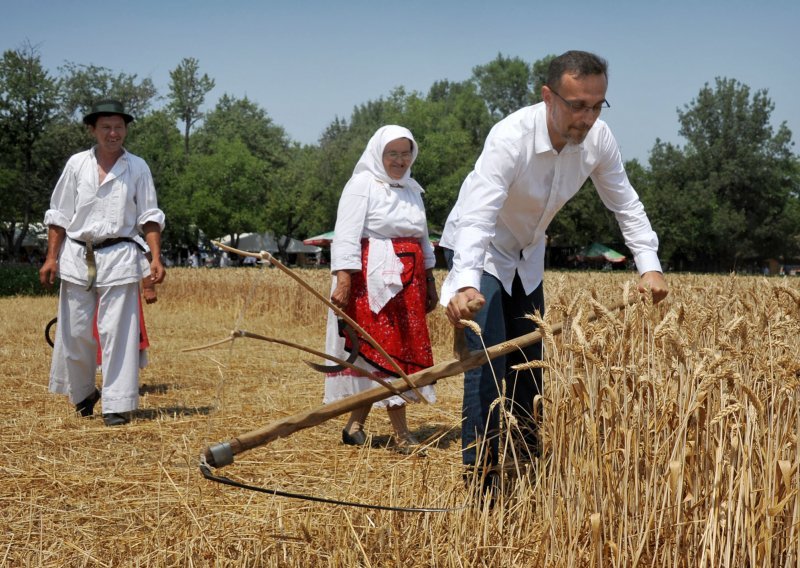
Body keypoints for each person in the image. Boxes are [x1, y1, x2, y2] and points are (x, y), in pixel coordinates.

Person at [439, 51, 669, 476]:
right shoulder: (510, 137)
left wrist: (649, 265)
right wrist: (466, 283)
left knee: (530, 364)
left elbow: (626, 204)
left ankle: (525, 469)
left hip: (527, 254)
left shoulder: (599, 140)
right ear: (548, 96)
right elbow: (478, 215)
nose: (587, 117)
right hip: (482, 248)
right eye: (577, 105)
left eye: (597, 105)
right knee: (489, 363)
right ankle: (483, 478)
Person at [39, 99, 166, 427]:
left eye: (119, 127)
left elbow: (149, 216)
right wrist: (51, 257)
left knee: (118, 332)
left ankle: (117, 405)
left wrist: (155, 257)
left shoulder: (137, 167)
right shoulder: (77, 164)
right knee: (77, 331)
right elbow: (59, 215)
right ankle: (83, 393)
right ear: (93, 130)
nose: (113, 133)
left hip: (121, 255)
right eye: (106, 127)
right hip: (77, 254)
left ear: (126, 130)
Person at [323, 125, 438, 454]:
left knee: (387, 354)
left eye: (405, 154)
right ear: (378, 154)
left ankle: (355, 425)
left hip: (410, 283)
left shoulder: (412, 189)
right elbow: (345, 234)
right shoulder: (362, 185)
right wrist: (343, 279)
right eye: (393, 154)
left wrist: (429, 280)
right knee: (385, 353)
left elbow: (423, 238)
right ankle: (401, 435)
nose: (400, 160)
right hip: (372, 282)